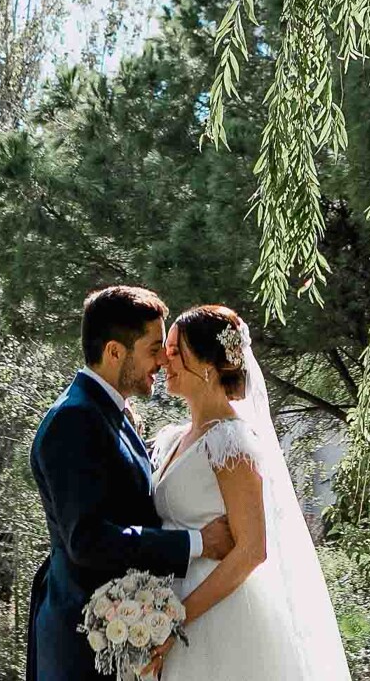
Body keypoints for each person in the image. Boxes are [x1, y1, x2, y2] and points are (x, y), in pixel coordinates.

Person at [28, 287, 235, 681]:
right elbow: (87, 540)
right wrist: (196, 542)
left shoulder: (111, 412)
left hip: (119, 637)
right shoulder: (74, 420)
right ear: (114, 352)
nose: (163, 360)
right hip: (82, 642)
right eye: (154, 348)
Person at [147, 305, 352, 681]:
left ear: (208, 363)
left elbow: (252, 549)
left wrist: (179, 618)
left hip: (221, 614)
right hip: (173, 603)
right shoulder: (176, 438)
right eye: (165, 349)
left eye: (176, 351)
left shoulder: (231, 441)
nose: (164, 359)